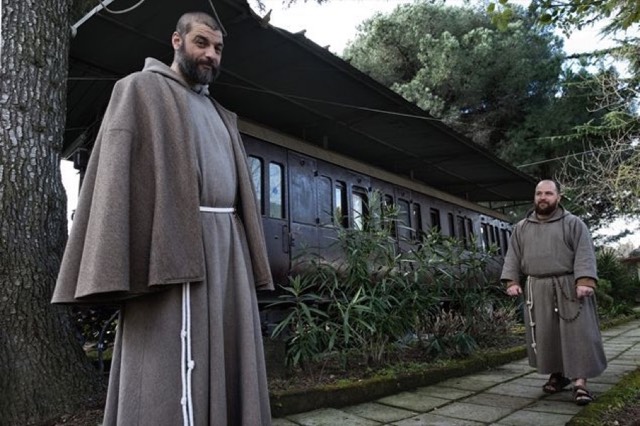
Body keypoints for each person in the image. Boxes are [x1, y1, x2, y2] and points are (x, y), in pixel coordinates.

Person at [52, 10, 274, 426]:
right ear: (177, 41)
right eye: (202, 43)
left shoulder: (222, 114)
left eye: (218, 48)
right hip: (173, 245)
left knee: (227, 352)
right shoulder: (140, 89)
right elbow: (115, 171)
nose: (211, 55)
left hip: (227, 245)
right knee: (169, 361)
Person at [501, 179, 607, 406]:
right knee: (548, 335)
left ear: (558, 197)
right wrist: (511, 281)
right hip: (537, 288)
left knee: (578, 335)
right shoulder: (522, 227)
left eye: (548, 193)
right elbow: (513, 256)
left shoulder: (573, 223)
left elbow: (584, 252)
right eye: (539, 193)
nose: (543, 198)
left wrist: (585, 280)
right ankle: (559, 375)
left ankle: (580, 383)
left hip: (570, 286)